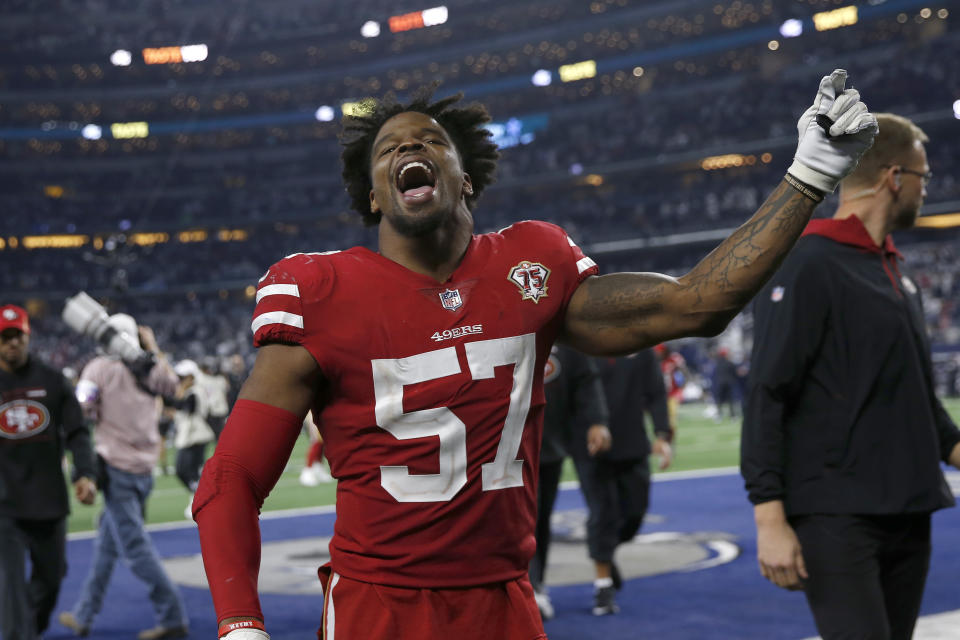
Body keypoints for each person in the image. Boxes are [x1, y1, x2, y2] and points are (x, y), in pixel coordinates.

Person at [194, 70, 877, 640]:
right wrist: (241, 627)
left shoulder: (531, 264)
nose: (411, 146)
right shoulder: (319, 290)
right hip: (381, 607)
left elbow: (694, 304)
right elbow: (230, 480)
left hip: (505, 602)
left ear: (465, 178)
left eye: (433, 140)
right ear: (373, 195)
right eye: (389, 147)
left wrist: (808, 174)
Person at [740, 112, 960, 640]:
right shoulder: (811, 262)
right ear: (895, 178)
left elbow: (918, 401)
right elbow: (768, 390)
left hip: (907, 509)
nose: (926, 189)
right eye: (923, 177)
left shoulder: (891, 269)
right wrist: (769, 518)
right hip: (839, 516)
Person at [58, 314, 190, 640]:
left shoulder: (98, 368)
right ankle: (84, 615)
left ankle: (172, 616)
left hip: (115, 470)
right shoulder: (150, 368)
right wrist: (155, 348)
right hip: (145, 471)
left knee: (136, 550)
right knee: (106, 545)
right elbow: (175, 387)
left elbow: (81, 408)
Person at [0, 305, 97, 640]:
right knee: (10, 589)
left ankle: (30, 628)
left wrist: (85, 474)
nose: (12, 343)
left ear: (28, 337)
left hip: (48, 501)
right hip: (4, 505)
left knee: (52, 580)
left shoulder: (53, 381)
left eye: (17, 336)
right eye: (5, 337)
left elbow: (78, 433)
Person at [580, 349, 672, 616]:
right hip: (591, 447)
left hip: (632, 444)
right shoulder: (582, 346)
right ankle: (603, 587)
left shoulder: (641, 347)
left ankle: (605, 552)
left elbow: (655, 392)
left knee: (635, 514)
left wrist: (662, 434)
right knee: (601, 514)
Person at [530, 344, 610, 620]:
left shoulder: (564, 333)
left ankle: (536, 585)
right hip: (508, 445)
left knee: (540, 519)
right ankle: (528, 588)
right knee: (523, 519)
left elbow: (586, 377)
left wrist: (597, 420)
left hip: (550, 443)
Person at [170, 359, 215, 518]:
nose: (180, 381)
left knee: (187, 471)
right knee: (188, 472)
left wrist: (170, 400)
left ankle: (200, 499)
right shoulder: (192, 390)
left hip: (196, 436)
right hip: (190, 436)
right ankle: (199, 498)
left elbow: (187, 407)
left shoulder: (196, 391)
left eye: (183, 377)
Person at [654, 343, 688, 439]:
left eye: (660, 352)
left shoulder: (673, 359)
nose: (658, 354)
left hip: (672, 393)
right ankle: (664, 437)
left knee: (671, 419)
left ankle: (669, 438)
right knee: (662, 419)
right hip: (660, 394)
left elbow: (684, 371)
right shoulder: (654, 361)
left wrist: (683, 386)